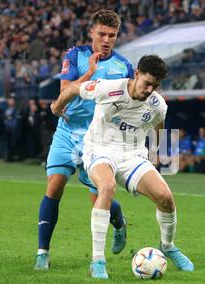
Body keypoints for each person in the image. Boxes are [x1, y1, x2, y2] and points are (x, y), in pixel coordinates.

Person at [51, 54, 194, 279]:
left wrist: (158, 153)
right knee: (106, 188)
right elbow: (73, 89)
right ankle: (97, 260)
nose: (149, 90)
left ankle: (168, 246)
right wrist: (56, 107)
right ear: (136, 74)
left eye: (155, 86)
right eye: (147, 83)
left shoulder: (157, 104)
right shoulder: (107, 88)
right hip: (99, 149)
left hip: (133, 156)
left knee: (165, 197)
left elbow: (159, 123)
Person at [35, 10, 134, 270]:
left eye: (111, 36)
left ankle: (118, 220)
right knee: (54, 185)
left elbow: (131, 100)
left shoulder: (124, 66)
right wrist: (88, 73)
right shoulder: (75, 56)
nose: (106, 40)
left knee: (99, 197)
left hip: (98, 137)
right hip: (68, 131)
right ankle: (42, 253)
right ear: (92, 32)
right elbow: (64, 93)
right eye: (101, 34)